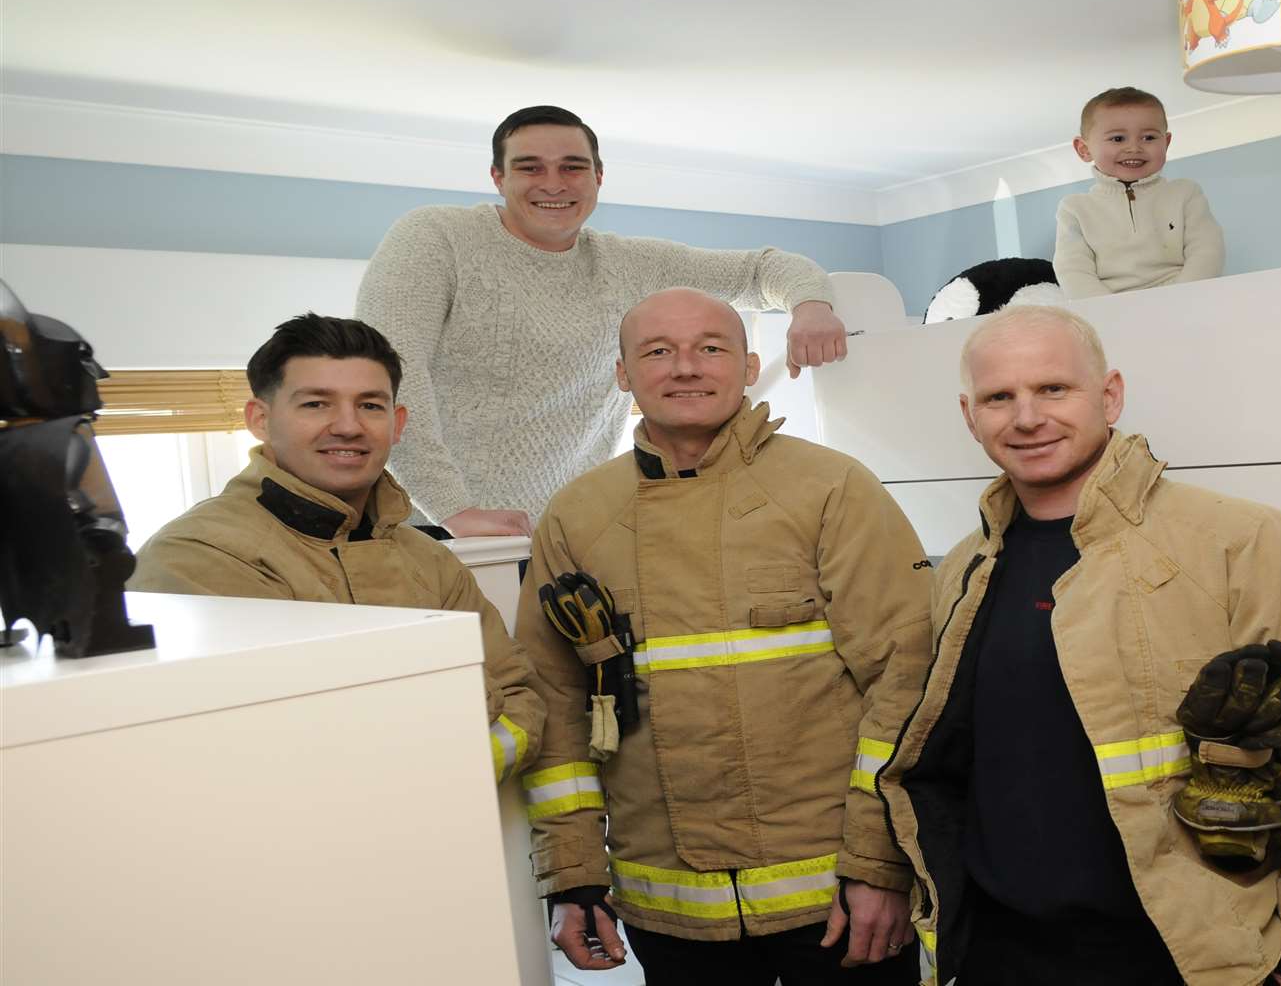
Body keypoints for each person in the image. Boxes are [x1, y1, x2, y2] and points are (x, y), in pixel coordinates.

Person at [876, 306, 1281, 986]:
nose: (1027, 417)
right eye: (998, 397)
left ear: (1110, 396)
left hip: (1178, 960)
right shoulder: (963, 571)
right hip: (995, 949)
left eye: (1053, 389)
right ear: (969, 415)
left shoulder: (1238, 542)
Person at [515, 288, 931, 985]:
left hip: (838, 899)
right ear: (623, 374)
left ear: (747, 366)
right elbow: (557, 712)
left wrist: (880, 863)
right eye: (657, 351)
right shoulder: (575, 517)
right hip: (668, 911)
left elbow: (907, 685)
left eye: (710, 347)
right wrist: (574, 875)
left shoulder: (832, 488)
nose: (686, 367)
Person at [355, 105, 851, 538]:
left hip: (557, 527)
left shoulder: (626, 264)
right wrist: (451, 509)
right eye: (531, 168)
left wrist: (810, 305)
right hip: (419, 520)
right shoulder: (437, 236)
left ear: (598, 177)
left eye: (573, 167)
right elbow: (386, 372)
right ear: (498, 178)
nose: (554, 183)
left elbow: (763, 270)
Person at [129, 313, 544, 785]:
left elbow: (520, 699)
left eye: (370, 405)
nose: (347, 426)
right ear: (259, 419)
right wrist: (452, 712)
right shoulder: (197, 556)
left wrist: (444, 771)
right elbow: (288, 741)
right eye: (315, 404)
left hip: (446, 842)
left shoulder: (429, 558)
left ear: (398, 422)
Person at [1052, 87, 1226, 299]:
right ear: (1084, 149)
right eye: (1118, 139)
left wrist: (1182, 297)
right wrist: (1109, 310)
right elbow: (1072, 269)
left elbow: (1207, 250)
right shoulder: (1074, 208)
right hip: (1112, 307)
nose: (1134, 147)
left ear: (1166, 142)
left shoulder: (1185, 193)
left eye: (1149, 137)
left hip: (1183, 298)